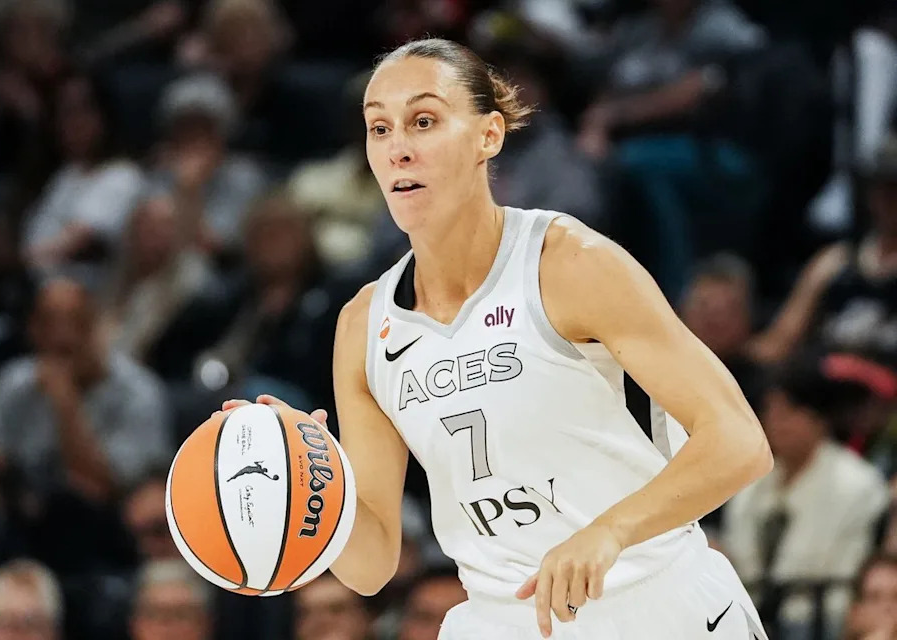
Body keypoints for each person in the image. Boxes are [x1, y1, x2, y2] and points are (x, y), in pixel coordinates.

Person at [221, 38, 772, 639]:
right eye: (379, 128)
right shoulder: (362, 326)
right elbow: (371, 567)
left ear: (489, 135)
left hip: (657, 604)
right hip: (501, 620)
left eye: (423, 121)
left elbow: (739, 442)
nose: (398, 148)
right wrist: (312, 487)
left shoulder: (570, 263)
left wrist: (610, 531)